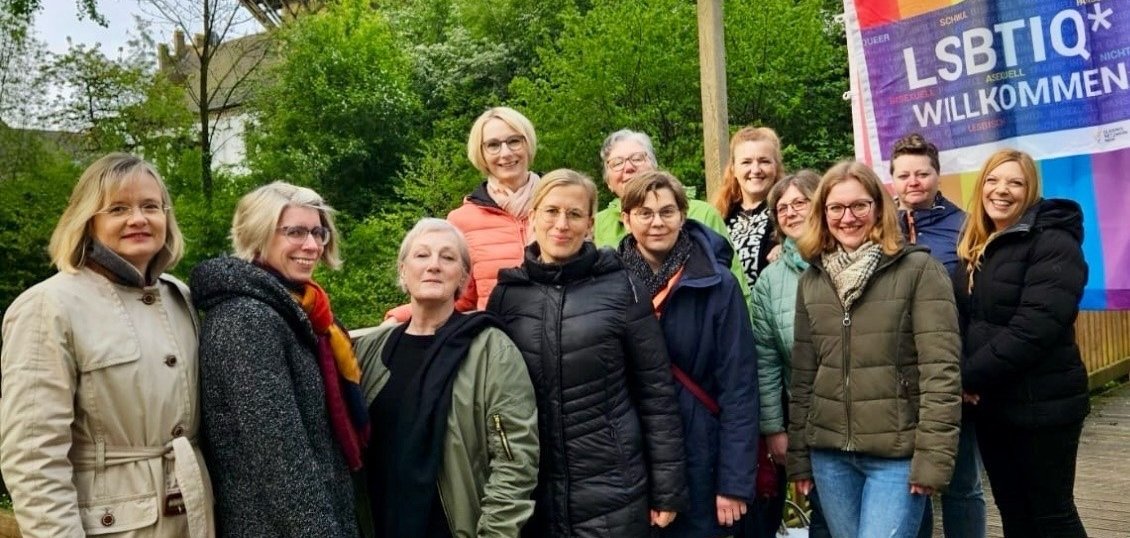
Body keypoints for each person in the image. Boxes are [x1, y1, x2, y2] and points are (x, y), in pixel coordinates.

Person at [0, 153, 214, 537]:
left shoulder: (181, 298)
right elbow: (33, 458)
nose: (138, 219)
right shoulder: (48, 307)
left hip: (195, 517)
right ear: (88, 221)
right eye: (118, 208)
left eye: (151, 206)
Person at [487, 169, 688, 537]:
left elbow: (656, 393)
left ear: (590, 224)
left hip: (613, 490)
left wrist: (667, 489)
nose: (561, 224)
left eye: (574, 214)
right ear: (534, 217)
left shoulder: (622, 287)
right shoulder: (507, 295)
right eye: (551, 211)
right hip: (535, 494)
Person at [786, 161, 962, 538]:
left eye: (859, 206)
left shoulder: (919, 270)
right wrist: (799, 458)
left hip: (897, 456)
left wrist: (932, 458)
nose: (847, 217)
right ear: (823, 213)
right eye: (836, 207)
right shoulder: (812, 280)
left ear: (879, 208)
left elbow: (941, 372)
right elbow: (803, 377)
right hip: (830, 454)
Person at [190, 182, 365, 537]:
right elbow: (281, 462)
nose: (312, 245)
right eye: (295, 232)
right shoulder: (246, 321)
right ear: (257, 234)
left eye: (318, 232)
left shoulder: (301, 313)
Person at [354, 218, 539, 537]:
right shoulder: (368, 352)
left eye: (448, 257)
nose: (434, 266)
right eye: (422, 255)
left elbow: (514, 458)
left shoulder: (490, 349)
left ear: (464, 278)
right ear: (403, 270)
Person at [954, 149, 1089, 537]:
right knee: (1014, 513)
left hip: (1044, 404)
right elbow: (967, 320)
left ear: (1030, 192)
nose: (1002, 190)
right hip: (994, 406)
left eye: (1015, 182)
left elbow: (1035, 327)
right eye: (994, 181)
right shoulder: (978, 245)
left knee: (1052, 515)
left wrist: (969, 377)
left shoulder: (1054, 242)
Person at [617, 171, 758, 537]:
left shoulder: (718, 284)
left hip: (702, 452)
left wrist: (734, 482)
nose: (657, 222)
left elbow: (739, 386)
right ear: (625, 218)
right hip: (632, 453)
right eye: (644, 213)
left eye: (667, 211)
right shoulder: (608, 285)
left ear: (683, 214)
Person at [890, 133, 985, 538]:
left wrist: (968, 373)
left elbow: (979, 307)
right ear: (892, 180)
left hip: (950, 374)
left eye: (922, 174)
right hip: (897, 378)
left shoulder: (965, 227)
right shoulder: (879, 226)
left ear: (937, 175)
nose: (914, 182)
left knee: (961, 483)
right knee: (911, 483)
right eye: (904, 174)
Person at [386, 106, 539, 322]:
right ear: (482, 154)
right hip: (501, 342)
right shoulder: (462, 221)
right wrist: (402, 316)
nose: (506, 153)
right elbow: (459, 297)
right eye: (493, 145)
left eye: (514, 141)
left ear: (528, 144)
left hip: (565, 343)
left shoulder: (559, 205)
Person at [748, 170, 830, 538]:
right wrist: (773, 429)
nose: (791, 212)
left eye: (801, 202)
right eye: (782, 207)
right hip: (802, 420)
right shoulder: (770, 279)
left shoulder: (851, 260)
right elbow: (765, 361)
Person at [592, 129, 749, 299]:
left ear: (654, 166)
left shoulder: (702, 213)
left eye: (637, 158)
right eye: (616, 163)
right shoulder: (597, 223)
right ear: (608, 181)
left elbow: (735, 285)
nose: (628, 167)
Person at [710, 127, 782, 287]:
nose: (755, 170)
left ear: (776, 167)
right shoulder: (720, 216)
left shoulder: (789, 213)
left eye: (764, 161)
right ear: (733, 169)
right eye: (746, 162)